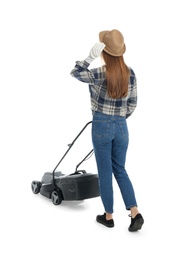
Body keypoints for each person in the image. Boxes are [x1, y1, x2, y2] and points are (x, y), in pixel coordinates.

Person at [70, 29, 144, 231]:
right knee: (120, 169)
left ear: (104, 51)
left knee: (105, 172)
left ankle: (109, 216)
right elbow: (133, 104)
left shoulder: (100, 72)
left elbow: (75, 73)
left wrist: (88, 58)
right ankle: (135, 212)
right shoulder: (131, 73)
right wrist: (119, 118)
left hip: (101, 125)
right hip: (122, 127)